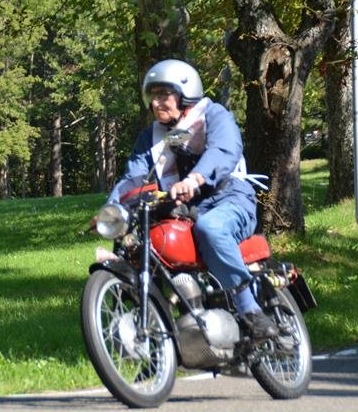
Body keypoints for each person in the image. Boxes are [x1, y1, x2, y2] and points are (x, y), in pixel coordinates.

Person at [107, 59, 278, 339]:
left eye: (164, 94)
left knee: (210, 228)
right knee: (143, 245)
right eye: (152, 96)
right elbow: (135, 177)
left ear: (185, 93)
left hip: (229, 198)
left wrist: (194, 179)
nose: (156, 103)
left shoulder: (214, 116)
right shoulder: (151, 138)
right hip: (182, 209)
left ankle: (250, 310)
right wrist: (112, 209)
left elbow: (223, 150)